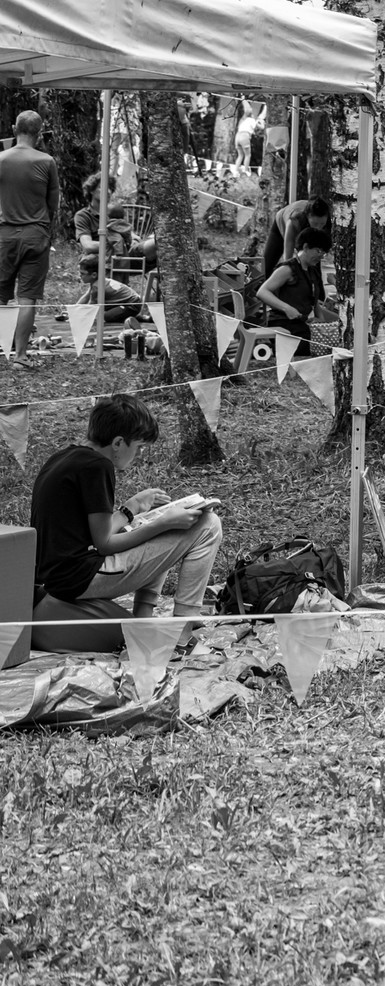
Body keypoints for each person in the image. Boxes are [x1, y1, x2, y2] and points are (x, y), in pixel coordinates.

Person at [30, 394, 222, 628]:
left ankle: (142, 620)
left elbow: (94, 534)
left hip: (58, 575)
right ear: (118, 442)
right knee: (208, 524)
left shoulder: (64, 457)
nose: (139, 455)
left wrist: (131, 508)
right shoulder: (97, 466)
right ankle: (184, 626)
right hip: (79, 579)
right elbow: (105, 544)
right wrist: (162, 524)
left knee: (153, 525)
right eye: (139, 447)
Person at [0, 110, 61, 361]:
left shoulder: (1, 159)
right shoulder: (47, 161)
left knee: (1, 297)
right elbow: (53, 205)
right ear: (40, 131)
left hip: (3, 235)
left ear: (15, 128)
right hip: (36, 235)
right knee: (27, 299)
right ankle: (21, 356)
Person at [258, 227, 331, 360]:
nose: (321, 256)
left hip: (301, 324)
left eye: (324, 253)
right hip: (283, 323)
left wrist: (321, 321)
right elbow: (262, 292)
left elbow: (314, 301)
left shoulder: (312, 271)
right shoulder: (287, 269)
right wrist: (287, 308)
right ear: (306, 247)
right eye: (318, 251)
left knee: (328, 342)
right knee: (313, 346)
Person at [263, 197, 331, 269]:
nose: (318, 228)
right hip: (281, 222)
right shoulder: (295, 221)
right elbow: (288, 256)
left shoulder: (328, 222)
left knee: (313, 265)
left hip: (305, 231)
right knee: (266, 267)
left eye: (322, 224)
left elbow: (321, 251)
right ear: (308, 217)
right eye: (315, 223)